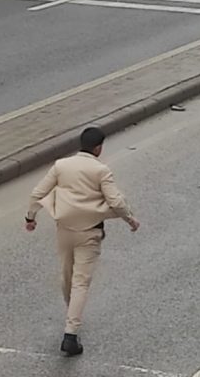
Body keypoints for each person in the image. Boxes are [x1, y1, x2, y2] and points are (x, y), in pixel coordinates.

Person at [24, 126, 140, 356]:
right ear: (98, 148)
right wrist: (130, 219)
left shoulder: (61, 165)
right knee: (81, 282)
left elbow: (38, 193)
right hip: (89, 231)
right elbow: (115, 201)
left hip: (64, 229)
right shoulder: (101, 171)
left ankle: (71, 316)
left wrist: (30, 217)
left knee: (67, 276)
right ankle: (71, 332)